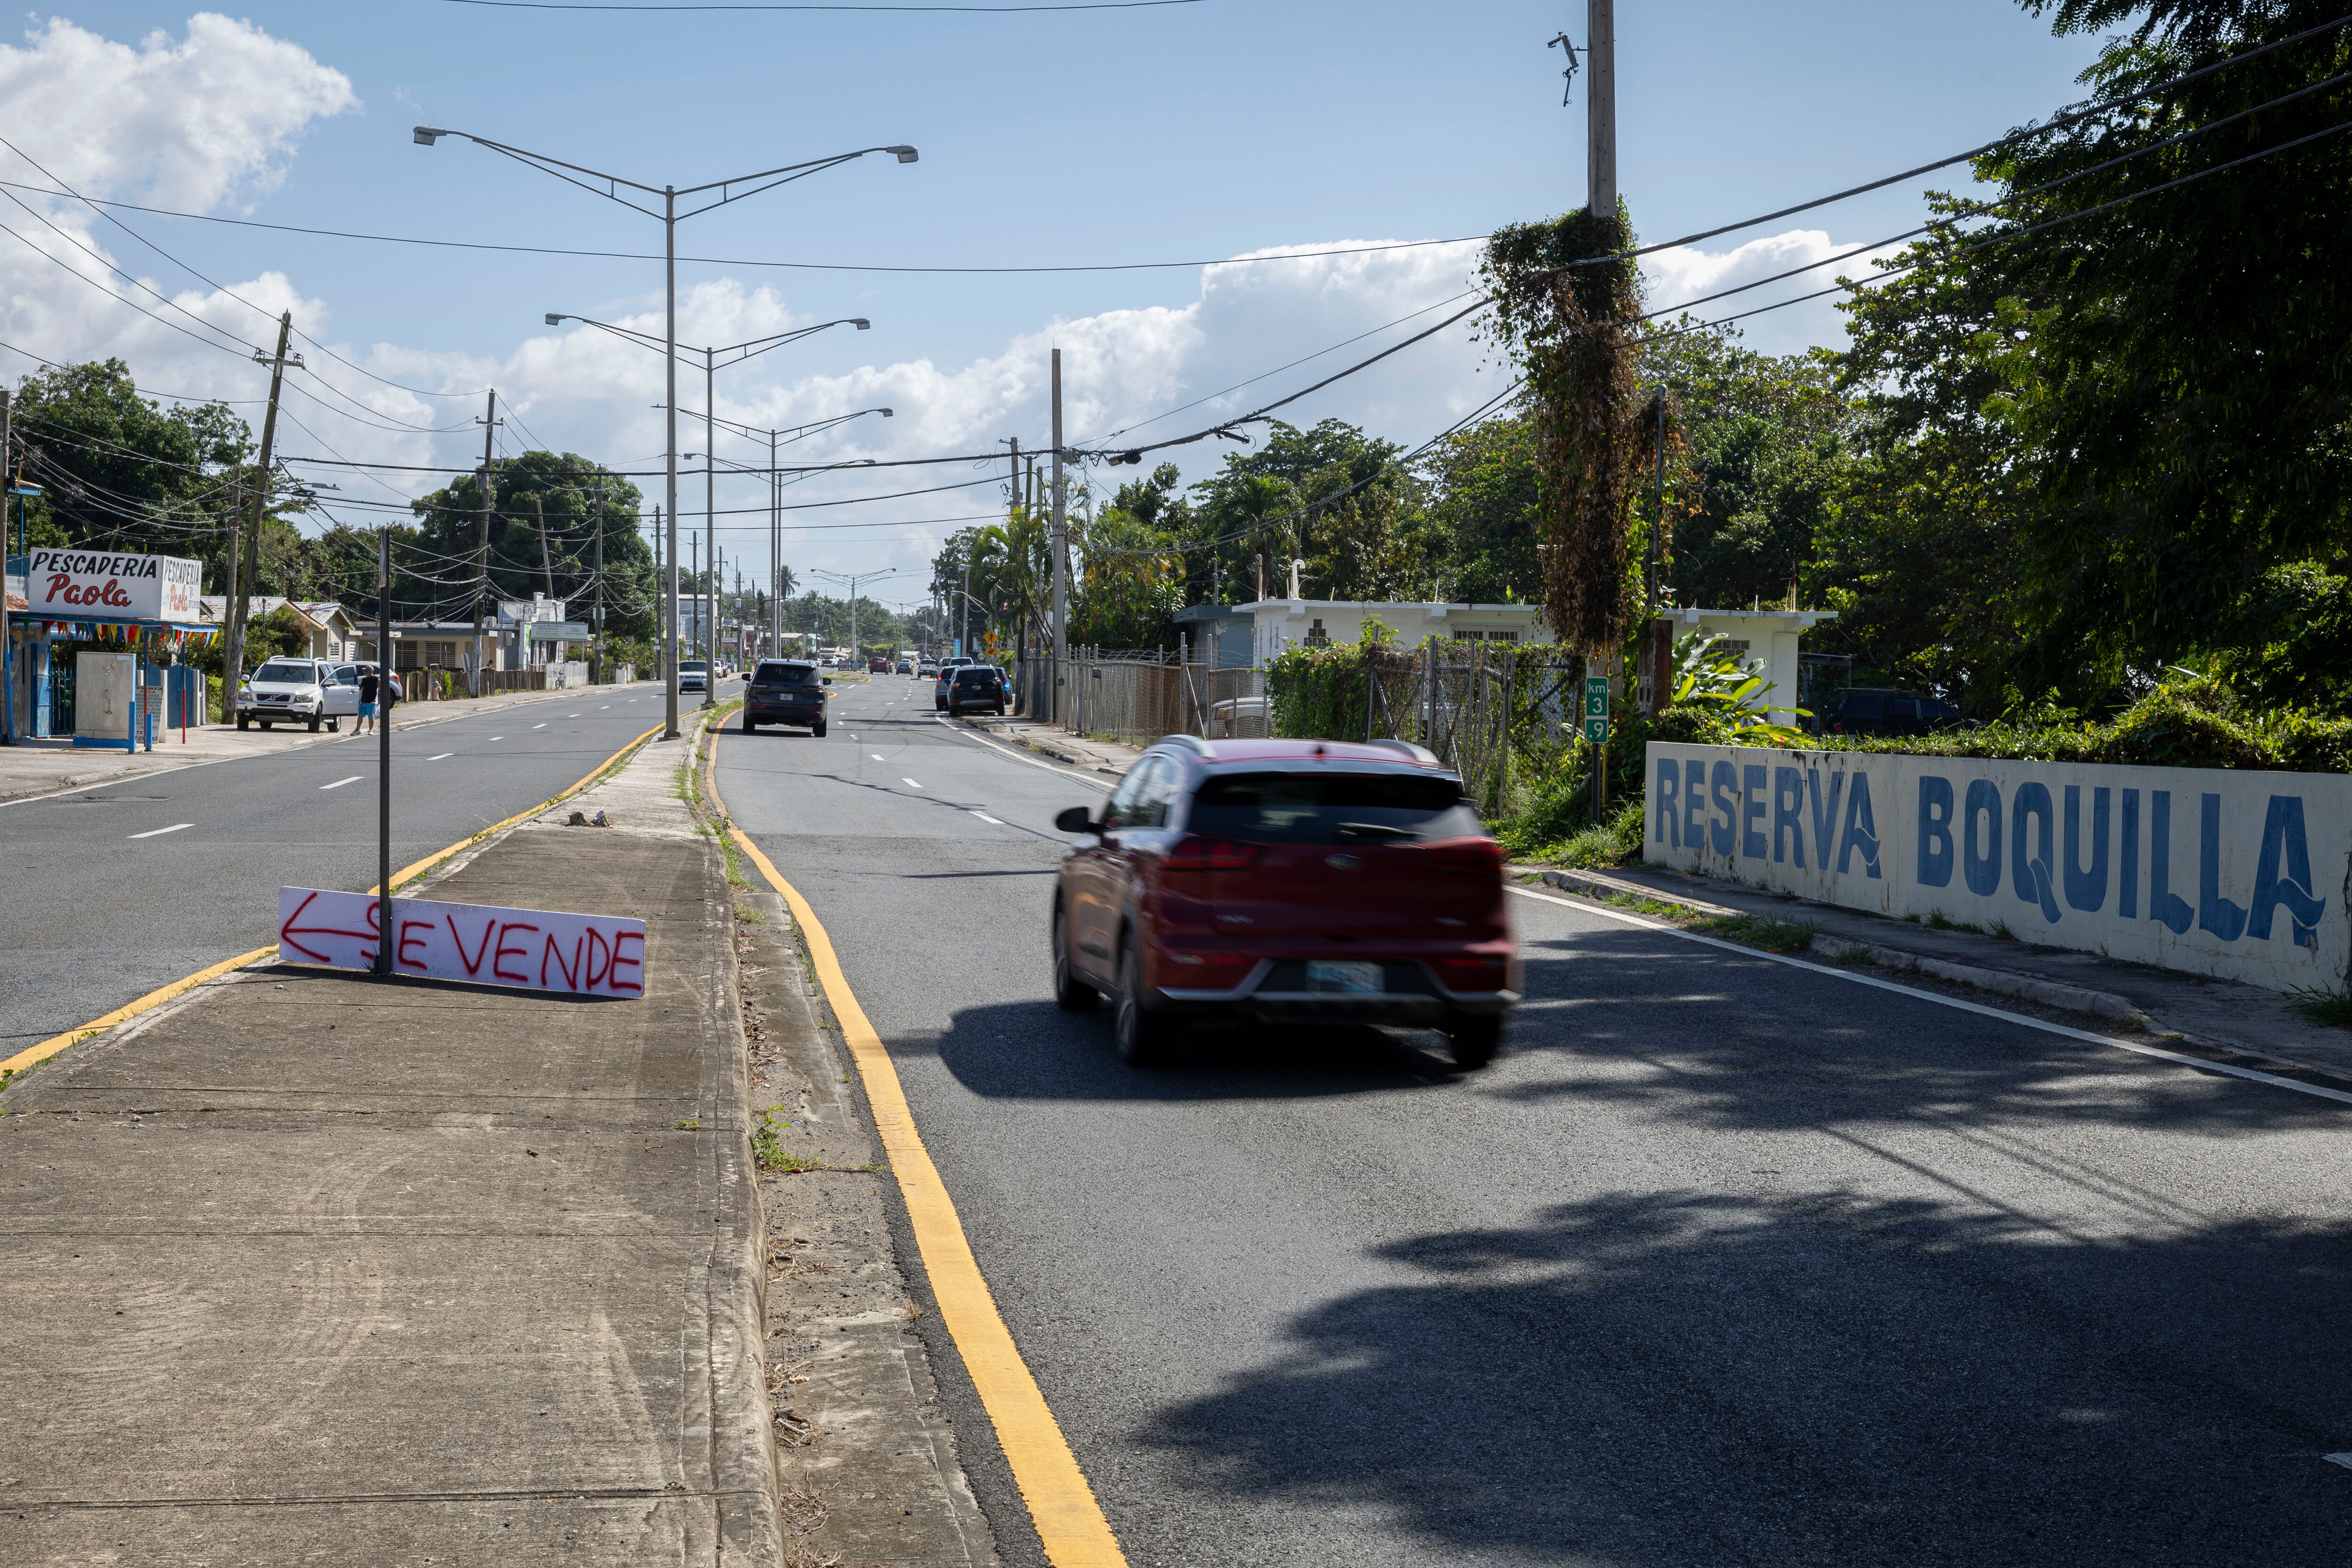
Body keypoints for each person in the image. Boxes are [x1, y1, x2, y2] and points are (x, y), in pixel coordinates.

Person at [355, 665, 380, 735]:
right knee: (360, 716)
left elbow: (380, 688)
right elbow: (361, 688)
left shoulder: (376, 679)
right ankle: (357, 730)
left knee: (370, 716)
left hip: (372, 701)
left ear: (371, 671)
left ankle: (371, 730)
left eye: (366, 671)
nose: (364, 672)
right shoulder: (364, 680)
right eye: (364, 671)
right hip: (363, 701)